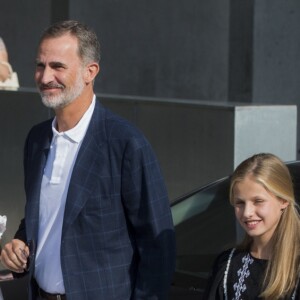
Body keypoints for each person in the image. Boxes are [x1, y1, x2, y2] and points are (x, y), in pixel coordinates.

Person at [0, 20, 176, 300]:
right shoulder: (36, 140)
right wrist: (20, 242)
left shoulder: (125, 143)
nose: (45, 77)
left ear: (89, 71)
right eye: (40, 65)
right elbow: (44, 217)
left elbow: (158, 246)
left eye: (58, 67)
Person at [203, 153, 300, 299]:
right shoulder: (228, 265)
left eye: (258, 201)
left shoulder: (296, 267)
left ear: (283, 200)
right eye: (240, 203)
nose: (247, 213)